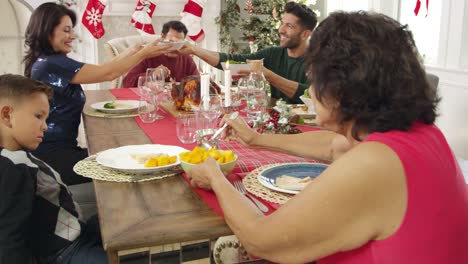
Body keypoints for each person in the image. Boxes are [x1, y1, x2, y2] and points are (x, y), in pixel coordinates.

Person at [186, 11, 468, 263]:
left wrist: (215, 176)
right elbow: (335, 146)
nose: (311, 83)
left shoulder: (375, 165)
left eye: (313, 73)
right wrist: (257, 139)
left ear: (342, 88)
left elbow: (260, 239)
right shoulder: (421, 134)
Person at [23, 2, 170, 185]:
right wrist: (144, 54)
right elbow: (109, 74)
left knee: (121, 154)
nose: (73, 36)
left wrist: (132, 51)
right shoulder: (51, 64)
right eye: (66, 30)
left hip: (59, 148)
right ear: (47, 31)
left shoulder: (48, 61)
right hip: (53, 156)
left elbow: (102, 68)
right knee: (127, 164)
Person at [0, 74, 107, 263]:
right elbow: (8, 237)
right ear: (7, 115)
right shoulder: (12, 169)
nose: (45, 127)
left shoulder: (14, 155)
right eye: (38, 117)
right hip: (64, 252)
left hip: (75, 231)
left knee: (120, 219)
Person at [178, 1, 317, 104]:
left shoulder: (320, 61)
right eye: (282, 23)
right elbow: (231, 61)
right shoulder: (273, 54)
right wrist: (194, 49)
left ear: (305, 34)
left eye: (289, 26)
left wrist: (267, 74)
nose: (281, 30)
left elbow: (309, 95)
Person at [123, 20, 199, 87]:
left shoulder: (186, 58)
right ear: (162, 37)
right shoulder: (149, 55)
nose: (175, 46)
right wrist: (152, 75)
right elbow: (127, 82)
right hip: (151, 99)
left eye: (179, 42)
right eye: (171, 41)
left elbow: (198, 83)